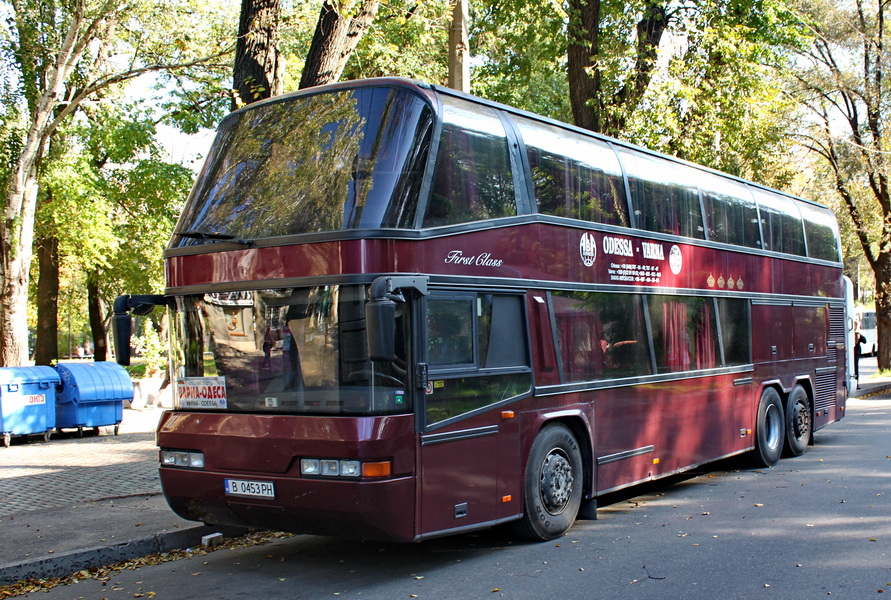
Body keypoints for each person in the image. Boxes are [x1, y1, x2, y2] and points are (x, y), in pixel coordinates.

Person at [854, 322, 866, 389]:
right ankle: (855, 383)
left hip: (856, 353)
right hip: (854, 353)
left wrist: (861, 335)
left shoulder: (858, 335)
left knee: (856, 369)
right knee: (855, 369)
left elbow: (864, 341)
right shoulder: (853, 334)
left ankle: (856, 383)